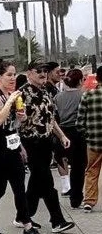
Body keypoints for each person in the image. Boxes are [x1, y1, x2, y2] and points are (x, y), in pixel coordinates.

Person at [0, 60, 45, 234]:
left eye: (14, 74)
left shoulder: (15, 96)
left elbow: (13, 127)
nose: (12, 78)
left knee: (19, 189)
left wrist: (20, 124)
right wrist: (9, 102)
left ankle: (28, 226)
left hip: (12, 147)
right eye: (9, 74)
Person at [19, 61, 75, 233]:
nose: (43, 75)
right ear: (30, 73)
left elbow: (50, 119)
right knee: (46, 182)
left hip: (46, 143)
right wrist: (20, 147)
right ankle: (57, 220)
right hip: (30, 143)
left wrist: (62, 135)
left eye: (45, 72)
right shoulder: (22, 94)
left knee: (36, 182)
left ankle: (22, 216)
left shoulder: (45, 92)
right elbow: (15, 123)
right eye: (39, 72)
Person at [55, 68, 87, 210]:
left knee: (65, 162)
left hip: (62, 131)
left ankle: (66, 187)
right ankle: (76, 197)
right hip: (78, 132)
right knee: (78, 167)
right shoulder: (83, 95)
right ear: (80, 81)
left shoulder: (58, 97)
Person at [77, 65, 102, 212]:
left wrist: (87, 134)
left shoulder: (87, 95)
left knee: (92, 171)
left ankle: (89, 201)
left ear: (97, 78)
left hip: (93, 142)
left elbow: (80, 122)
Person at [45, 61, 70, 195]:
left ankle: (66, 185)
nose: (60, 74)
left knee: (61, 156)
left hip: (57, 126)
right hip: (53, 128)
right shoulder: (48, 90)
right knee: (60, 155)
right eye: (57, 72)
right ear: (49, 73)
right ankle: (65, 186)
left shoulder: (54, 88)